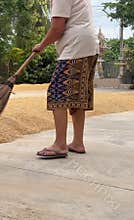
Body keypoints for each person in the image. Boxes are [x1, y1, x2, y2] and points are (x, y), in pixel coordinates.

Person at [33, 0, 99, 159]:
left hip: (76, 47)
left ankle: (60, 145)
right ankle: (77, 142)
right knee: (77, 96)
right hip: (88, 45)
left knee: (57, 92)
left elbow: (57, 28)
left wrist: (41, 45)